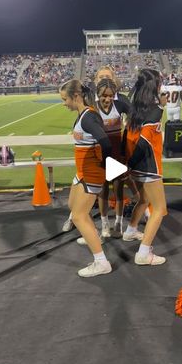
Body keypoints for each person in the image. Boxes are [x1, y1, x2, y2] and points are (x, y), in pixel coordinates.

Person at [60, 79, 112, 277]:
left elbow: (106, 143)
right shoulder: (83, 114)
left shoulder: (89, 117)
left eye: (65, 99)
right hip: (82, 172)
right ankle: (93, 236)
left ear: (76, 96)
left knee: (80, 216)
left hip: (91, 173)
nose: (64, 103)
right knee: (74, 208)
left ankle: (101, 262)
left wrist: (105, 167)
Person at [77, 77, 131, 245]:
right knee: (103, 193)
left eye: (110, 96)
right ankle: (105, 226)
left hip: (117, 156)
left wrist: (128, 124)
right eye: (103, 96)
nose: (107, 99)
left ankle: (119, 224)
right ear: (97, 95)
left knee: (119, 192)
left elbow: (133, 115)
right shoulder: (92, 111)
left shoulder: (120, 105)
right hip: (101, 157)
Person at [123, 68, 167, 266]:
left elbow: (127, 137)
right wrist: (129, 165)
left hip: (136, 165)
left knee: (143, 200)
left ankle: (131, 230)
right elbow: (144, 143)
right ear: (155, 86)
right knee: (159, 209)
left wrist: (128, 164)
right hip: (148, 166)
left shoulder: (134, 108)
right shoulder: (155, 110)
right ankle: (143, 253)